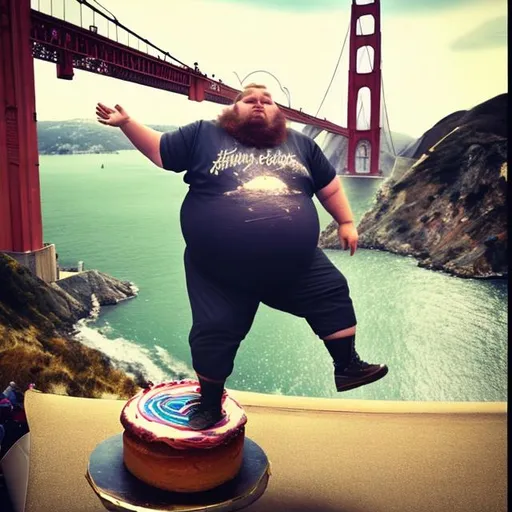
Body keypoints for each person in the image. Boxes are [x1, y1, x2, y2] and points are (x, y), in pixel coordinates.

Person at [96, 83, 388, 430]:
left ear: (279, 112)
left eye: (268, 100)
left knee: (332, 291)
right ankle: (208, 405)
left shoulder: (302, 144)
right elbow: (161, 151)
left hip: (295, 265)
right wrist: (128, 123)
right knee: (214, 330)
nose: (260, 104)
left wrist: (346, 221)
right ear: (232, 110)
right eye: (250, 99)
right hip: (219, 271)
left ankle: (347, 366)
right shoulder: (204, 134)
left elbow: (330, 186)